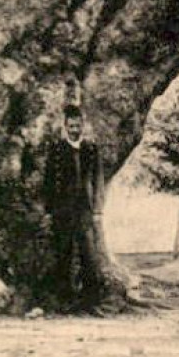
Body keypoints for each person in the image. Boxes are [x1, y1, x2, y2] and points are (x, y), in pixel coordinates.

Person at [44, 77, 108, 310]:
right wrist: (49, 210)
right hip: (63, 209)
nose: (74, 129)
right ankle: (64, 302)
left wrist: (98, 209)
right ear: (65, 126)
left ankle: (91, 302)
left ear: (82, 125)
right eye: (70, 126)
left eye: (77, 125)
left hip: (84, 210)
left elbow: (98, 180)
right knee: (63, 255)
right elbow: (49, 181)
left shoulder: (91, 149)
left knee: (89, 256)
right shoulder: (57, 150)